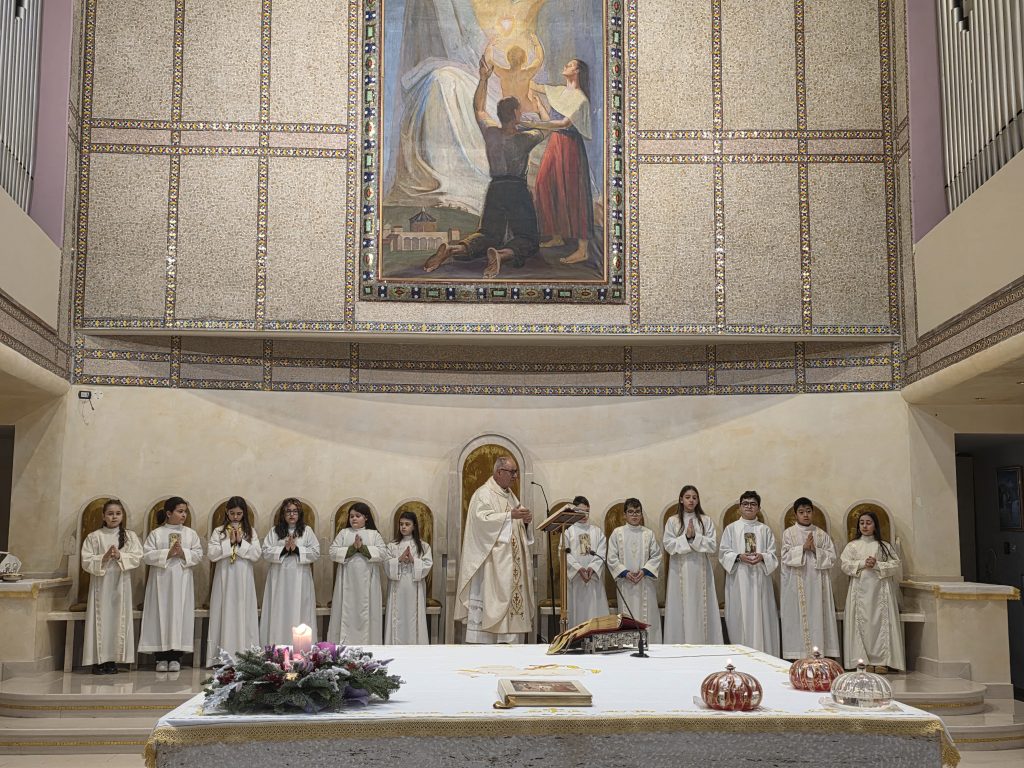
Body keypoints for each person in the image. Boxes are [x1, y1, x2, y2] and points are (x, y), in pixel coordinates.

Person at [422, 56, 545, 279]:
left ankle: (453, 250)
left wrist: (483, 79)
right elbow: (546, 128)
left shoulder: (491, 133)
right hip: (516, 189)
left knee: (488, 234)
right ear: (515, 114)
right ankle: (502, 255)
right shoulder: (526, 138)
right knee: (528, 238)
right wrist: (539, 110)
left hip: (496, 188)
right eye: (518, 112)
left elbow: (478, 108)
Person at [455, 455, 535, 643]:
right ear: (499, 472)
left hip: (511, 565)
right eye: (512, 472)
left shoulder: (510, 496)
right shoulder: (483, 494)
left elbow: (515, 525)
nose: (515, 476)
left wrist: (525, 522)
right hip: (492, 565)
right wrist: (509, 516)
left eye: (516, 472)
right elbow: (481, 522)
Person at [526, 58, 594, 265]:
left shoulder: (580, 99)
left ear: (578, 71)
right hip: (555, 143)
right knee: (544, 184)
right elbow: (534, 87)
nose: (565, 66)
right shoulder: (558, 91)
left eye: (570, 65)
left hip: (570, 147)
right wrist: (537, 103)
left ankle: (583, 249)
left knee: (573, 192)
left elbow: (563, 124)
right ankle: (556, 235)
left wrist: (536, 124)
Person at [138, 496, 204, 672]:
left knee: (179, 615)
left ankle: (176, 657)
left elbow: (198, 554)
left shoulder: (190, 534)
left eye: (185, 512)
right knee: (161, 614)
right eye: (180, 511)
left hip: (182, 580)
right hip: (160, 580)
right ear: (168, 513)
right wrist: (167, 553)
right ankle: (160, 657)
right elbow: (146, 555)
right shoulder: (156, 533)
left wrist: (183, 553)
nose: (183, 515)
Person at [81, 499, 143, 674]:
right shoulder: (94, 536)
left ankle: (112, 660)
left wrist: (120, 556)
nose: (114, 517)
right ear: (103, 516)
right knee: (100, 619)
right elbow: (86, 561)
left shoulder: (130, 536)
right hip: (101, 585)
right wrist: (105, 557)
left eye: (117, 513)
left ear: (122, 516)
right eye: (110, 513)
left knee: (118, 621)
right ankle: (98, 661)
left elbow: (137, 556)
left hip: (121, 584)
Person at [841, 510, 905, 673]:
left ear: (875, 525)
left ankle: (882, 661)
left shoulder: (884, 546)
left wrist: (877, 565)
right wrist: (863, 563)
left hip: (881, 592)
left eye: (868, 523)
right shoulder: (852, 546)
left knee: (880, 624)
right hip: (859, 592)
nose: (865, 526)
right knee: (862, 625)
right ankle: (864, 661)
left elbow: (895, 565)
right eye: (862, 523)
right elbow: (845, 565)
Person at [719, 491, 780, 656]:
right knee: (740, 618)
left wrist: (763, 557)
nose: (749, 507)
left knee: (762, 616)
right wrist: (739, 557)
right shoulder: (731, 529)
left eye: (753, 504)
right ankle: (741, 656)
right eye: (745, 503)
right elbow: (723, 554)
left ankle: (763, 656)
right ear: (740, 507)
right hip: (739, 579)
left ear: (758, 508)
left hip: (760, 580)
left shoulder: (764, 530)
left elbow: (773, 555)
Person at [780, 497, 840, 660]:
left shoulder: (821, 534)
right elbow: (784, 557)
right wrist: (802, 548)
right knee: (796, 618)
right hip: (796, 583)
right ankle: (797, 655)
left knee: (818, 616)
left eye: (808, 511)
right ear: (795, 514)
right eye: (801, 512)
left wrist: (815, 550)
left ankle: (820, 654)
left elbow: (832, 558)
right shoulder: (789, 533)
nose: (805, 515)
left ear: (813, 513)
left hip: (818, 584)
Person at [663, 485, 723, 644]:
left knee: (701, 607)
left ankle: (704, 644)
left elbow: (712, 545)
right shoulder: (673, 521)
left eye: (694, 497)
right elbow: (668, 545)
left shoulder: (706, 520)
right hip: (679, 570)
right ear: (681, 499)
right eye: (688, 497)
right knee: (681, 607)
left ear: (698, 501)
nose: (691, 500)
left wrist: (695, 537)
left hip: (700, 570)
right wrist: (686, 538)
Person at [206, 496, 260, 666]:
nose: (235, 517)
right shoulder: (219, 531)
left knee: (243, 612)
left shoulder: (250, 531)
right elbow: (212, 554)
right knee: (223, 611)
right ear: (226, 512)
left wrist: (241, 542)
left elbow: (256, 554)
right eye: (232, 513)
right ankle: (221, 657)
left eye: (239, 513)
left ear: (244, 513)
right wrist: (229, 543)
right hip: (224, 576)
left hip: (243, 577)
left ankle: (244, 655)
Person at [260, 498, 320, 647]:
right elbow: (265, 552)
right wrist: (284, 549)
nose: (292, 514)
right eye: (288, 511)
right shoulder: (275, 531)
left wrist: (297, 549)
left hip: (301, 577)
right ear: (283, 514)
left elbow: (315, 552)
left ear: (300, 514)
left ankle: (301, 648)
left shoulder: (307, 531)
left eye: (295, 511)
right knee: (279, 610)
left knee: (301, 611)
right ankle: (277, 647)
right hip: (279, 578)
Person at [327, 502, 387, 645]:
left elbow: (383, 553)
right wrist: (352, 548)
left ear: (366, 518)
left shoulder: (373, 534)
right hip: (346, 580)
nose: (353, 518)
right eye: (351, 516)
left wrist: (363, 548)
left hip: (368, 582)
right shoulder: (344, 533)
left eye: (357, 516)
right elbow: (332, 552)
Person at [606, 498, 662, 643]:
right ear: (624, 515)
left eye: (637, 512)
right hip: (625, 584)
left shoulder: (648, 534)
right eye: (630, 512)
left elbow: (656, 555)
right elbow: (611, 557)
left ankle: (650, 645)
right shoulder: (617, 533)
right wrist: (625, 573)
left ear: (641, 514)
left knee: (648, 617)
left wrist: (644, 571)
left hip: (645, 583)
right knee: (628, 616)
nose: (634, 515)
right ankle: (628, 646)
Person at [384, 511, 434, 644]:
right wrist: (399, 559)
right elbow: (386, 564)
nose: (403, 527)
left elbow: (428, 564)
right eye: (401, 524)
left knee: (413, 617)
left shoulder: (423, 546)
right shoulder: (392, 546)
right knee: (397, 616)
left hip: (414, 587)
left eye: (407, 524)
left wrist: (413, 560)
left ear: (414, 526)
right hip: (397, 586)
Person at [560, 495, 609, 627]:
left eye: (587, 511)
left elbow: (601, 552)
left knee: (594, 614)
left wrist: (592, 568)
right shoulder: (568, 531)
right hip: (576, 580)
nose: (584, 515)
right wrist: (579, 569)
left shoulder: (597, 531)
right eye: (580, 511)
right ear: (574, 511)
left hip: (593, 580)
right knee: (577, 615)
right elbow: (564, 554)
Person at [485, 32, 544, 109]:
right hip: (525, 109)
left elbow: (488, 60)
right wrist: (537, 44)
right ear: (524, 60)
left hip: (508, 111)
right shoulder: (527, 74)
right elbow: (539, 59)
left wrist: (490, 45)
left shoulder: (503, 73)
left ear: (508, 59)